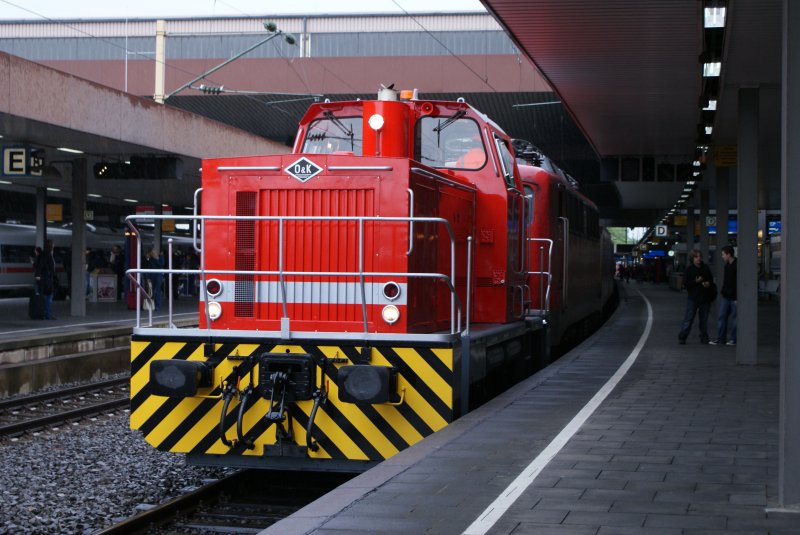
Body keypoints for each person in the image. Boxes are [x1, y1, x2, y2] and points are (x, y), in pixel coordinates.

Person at [678, 249, 714, 344]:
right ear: (692, 258)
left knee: (704, 320)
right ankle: (683, 336)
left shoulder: (706, 268)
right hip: (693, 298)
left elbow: (711, 280)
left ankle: (704, 337)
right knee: (689, 318)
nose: (699, 259)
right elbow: (685, 283)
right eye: (696, 257)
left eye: (700, 257)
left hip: (705, 298)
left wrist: (708, 283)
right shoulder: (689, 270)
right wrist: (696, 281)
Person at [710, 245, 737, 346]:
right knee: (723, 317)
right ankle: (722, 339)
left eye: (723, 254)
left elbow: (736, 282)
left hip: (734, 296)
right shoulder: (727, 265)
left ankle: (733, 339)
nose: (722, 256)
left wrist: (736, 297)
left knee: (734, 318)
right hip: (726, 295)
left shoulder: (736, 265)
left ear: (728, 254)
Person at [34, 239, 57, 320]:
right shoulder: (48, 255)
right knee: (49, 297)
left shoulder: (43, 254)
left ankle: (45, 314)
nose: (54, 245)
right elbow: (48, 267)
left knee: (45, 297)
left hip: (44, 279)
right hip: (46, 279)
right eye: (53, 244)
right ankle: (48, 315)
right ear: (50, 245)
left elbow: (38, 266)